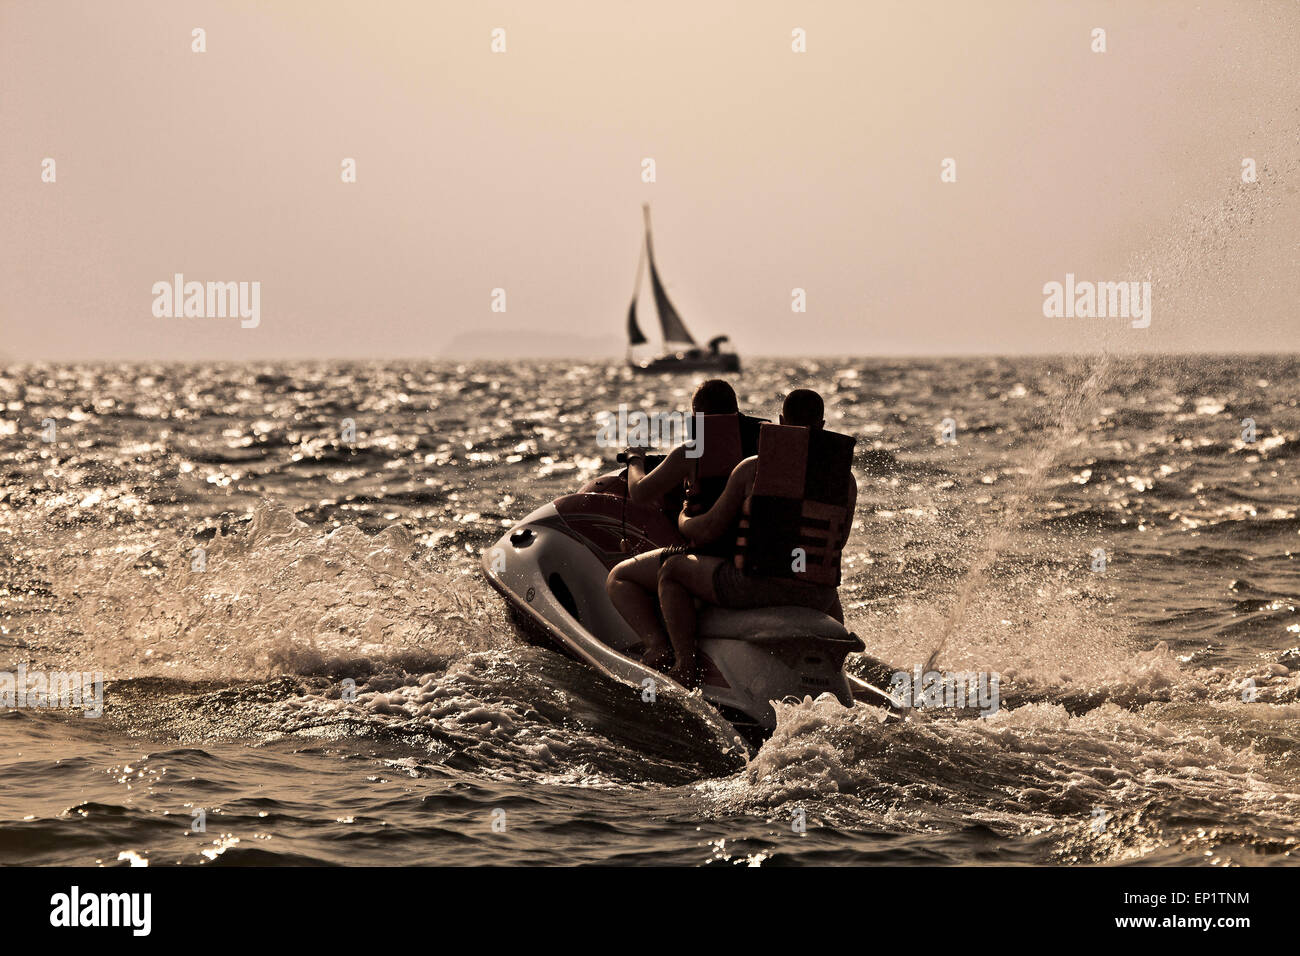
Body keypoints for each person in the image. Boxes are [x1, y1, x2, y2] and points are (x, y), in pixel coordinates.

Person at [654, 388, 857, 687]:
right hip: (818, 596)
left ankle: (685, 664)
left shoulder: (752, 468)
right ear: (823, 426)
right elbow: (838, 542)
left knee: (671, 570)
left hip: (757, 587)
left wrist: (683, 518)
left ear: (780, 422)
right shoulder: (846, 481)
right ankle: (839, 672)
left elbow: (708, 529)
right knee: (820, 580)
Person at [605, 379, 761, 670]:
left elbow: (640, 493)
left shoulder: (691, 452)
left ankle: (659, 648)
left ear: (697, 415)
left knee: (619, 578)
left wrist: (635, 459)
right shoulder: (762, 453)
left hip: (710, 560)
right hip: (752, 559)